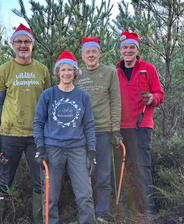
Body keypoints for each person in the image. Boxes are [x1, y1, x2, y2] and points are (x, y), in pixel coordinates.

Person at [0, 23, 51, 224]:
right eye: (19, 41)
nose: (23, 45)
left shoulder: (42, 70)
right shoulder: (4, 70)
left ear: (32, 45)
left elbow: (49, 104)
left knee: (41, 180)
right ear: (13, 44)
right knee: (3, 179)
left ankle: (39, 221)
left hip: (37, 136)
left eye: (26, 41)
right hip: (10, 134)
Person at [33, 50, 97, 224]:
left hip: (77, 150)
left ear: (75, 72)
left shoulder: (83, 96)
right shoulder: (48, 95)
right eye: (63, 70)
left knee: (85, 196)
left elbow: (89, 125)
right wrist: (40, 147)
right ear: (58, 73)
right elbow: (38, 123)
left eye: (70, 69)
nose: (66, 73)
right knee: (50, 196)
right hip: (53, 149)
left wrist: (91, 151)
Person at [115, 31, 164, 217]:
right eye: (125, 47)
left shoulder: (148, 69)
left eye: (132, 47)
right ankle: (124, 208)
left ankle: (148, 208)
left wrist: (152, 98)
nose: (128, 51)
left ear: (137, 50)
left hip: (141, 125)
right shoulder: (115, 72)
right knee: (121, 168)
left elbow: (160, 94)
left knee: (142, 166)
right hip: (119, 127)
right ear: (120, 51)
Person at [76, 37, 121, 223]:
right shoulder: (76, 74)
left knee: (103, 174)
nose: (91, 55)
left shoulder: (110, 72)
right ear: (82, 56)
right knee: (81, 174)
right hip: (79, 134)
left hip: (102, 131)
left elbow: (116, 101)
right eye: (88, 52)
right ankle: (85, 214)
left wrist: (116, 129)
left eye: (95, 51)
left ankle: (103, 213)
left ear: (100, 54)